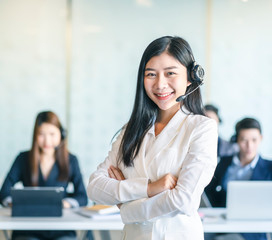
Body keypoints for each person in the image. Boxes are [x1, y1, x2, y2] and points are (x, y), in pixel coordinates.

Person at [87, 36, 218, 240]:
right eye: (151, 74)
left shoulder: (202, 128)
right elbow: (95, 187)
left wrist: (126, 209)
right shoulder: (131, 130)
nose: (160, 84)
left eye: (170, 73)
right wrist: (149, 188)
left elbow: (183, 201)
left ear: (191, 77)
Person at [0, 111, 88, 240]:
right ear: (35, 136)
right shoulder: (23, 158)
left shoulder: (71, 160)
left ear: (61, 135)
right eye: (41, 134)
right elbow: (3, 194)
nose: (47, 141)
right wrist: (16, 203)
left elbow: (82, 196)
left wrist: (65, 203)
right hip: (28, 229)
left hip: (61, 229)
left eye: (52, 134)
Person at [205, 117, 272, 240]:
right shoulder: (224, 163)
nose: (249, 146)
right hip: (225, 225)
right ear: (236, 139)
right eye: (244, 140)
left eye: (254, 140)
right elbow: (209, 190)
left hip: (255, 229)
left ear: (261, 139)